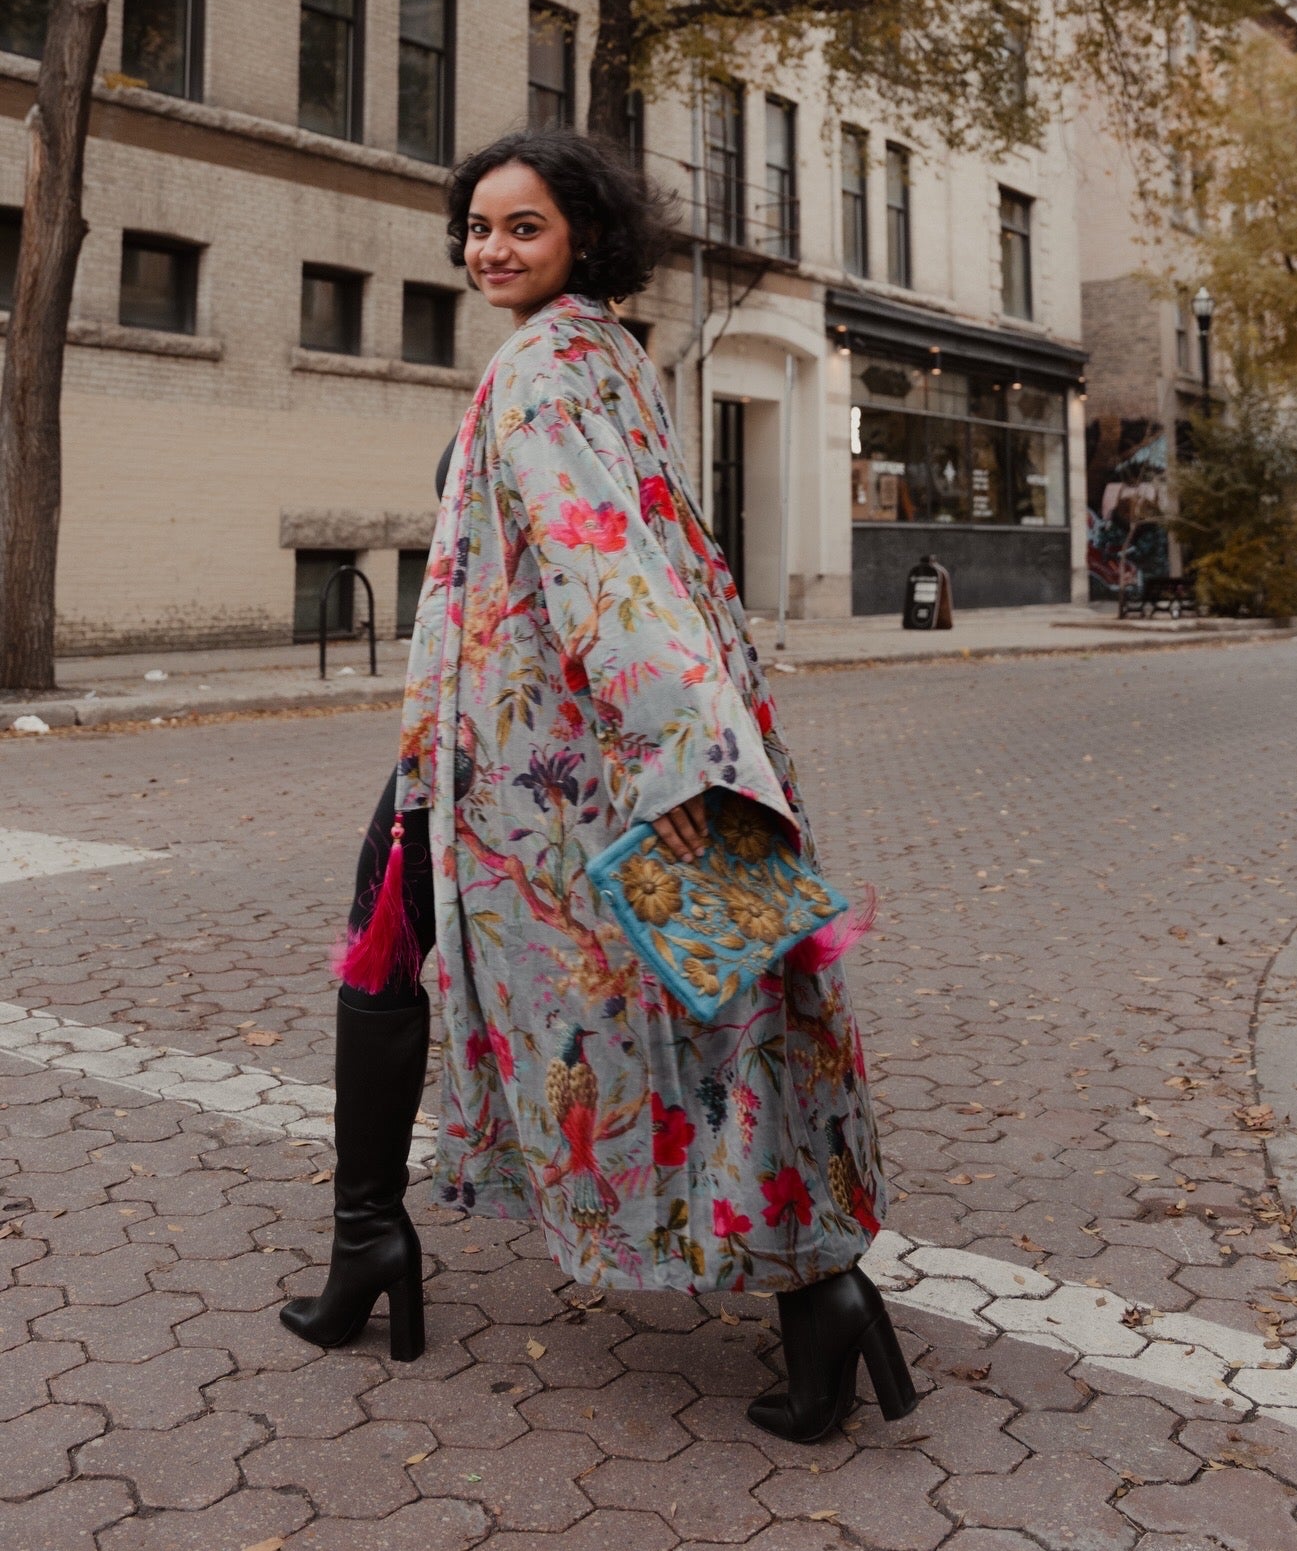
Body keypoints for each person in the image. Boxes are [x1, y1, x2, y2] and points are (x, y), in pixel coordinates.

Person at [281, 129, 916, 1443]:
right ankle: (817, 1289)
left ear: (582, 236)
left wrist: (689, 750)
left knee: (703, 995)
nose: (489, 249)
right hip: (533, 739)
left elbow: (603, 563)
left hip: (551, 763)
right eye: (476, 227)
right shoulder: (608, 359)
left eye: (523, 226)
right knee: (720, 989)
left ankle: (812, 1289)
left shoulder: (542, 374)